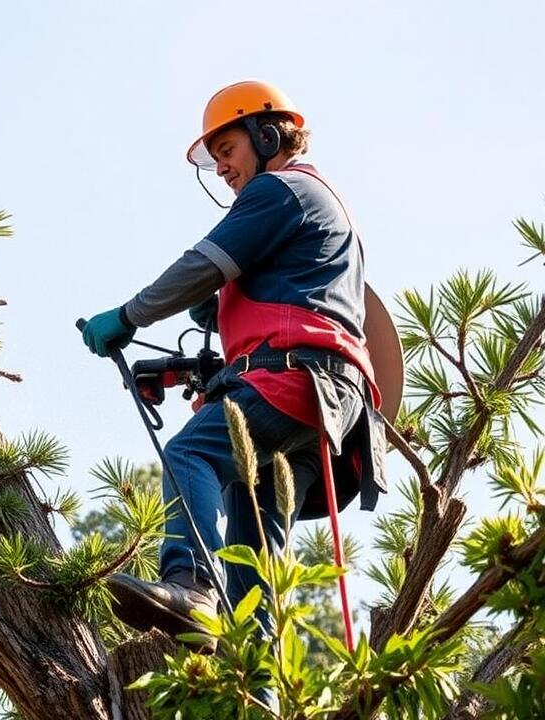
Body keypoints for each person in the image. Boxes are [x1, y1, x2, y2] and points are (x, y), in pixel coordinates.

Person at [79, 80, 387, 648]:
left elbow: (203, 263)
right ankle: (259, 687)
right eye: (215, 158)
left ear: (267, 134)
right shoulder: (315, 204)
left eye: (227, 149)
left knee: (190, 452)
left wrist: (128, 315)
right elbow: (283, 303)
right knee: (252, 562)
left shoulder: (282, 190)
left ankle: (192, 585)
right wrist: (215, 320)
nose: (221, 168)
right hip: (328, 402)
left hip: (295, 380)